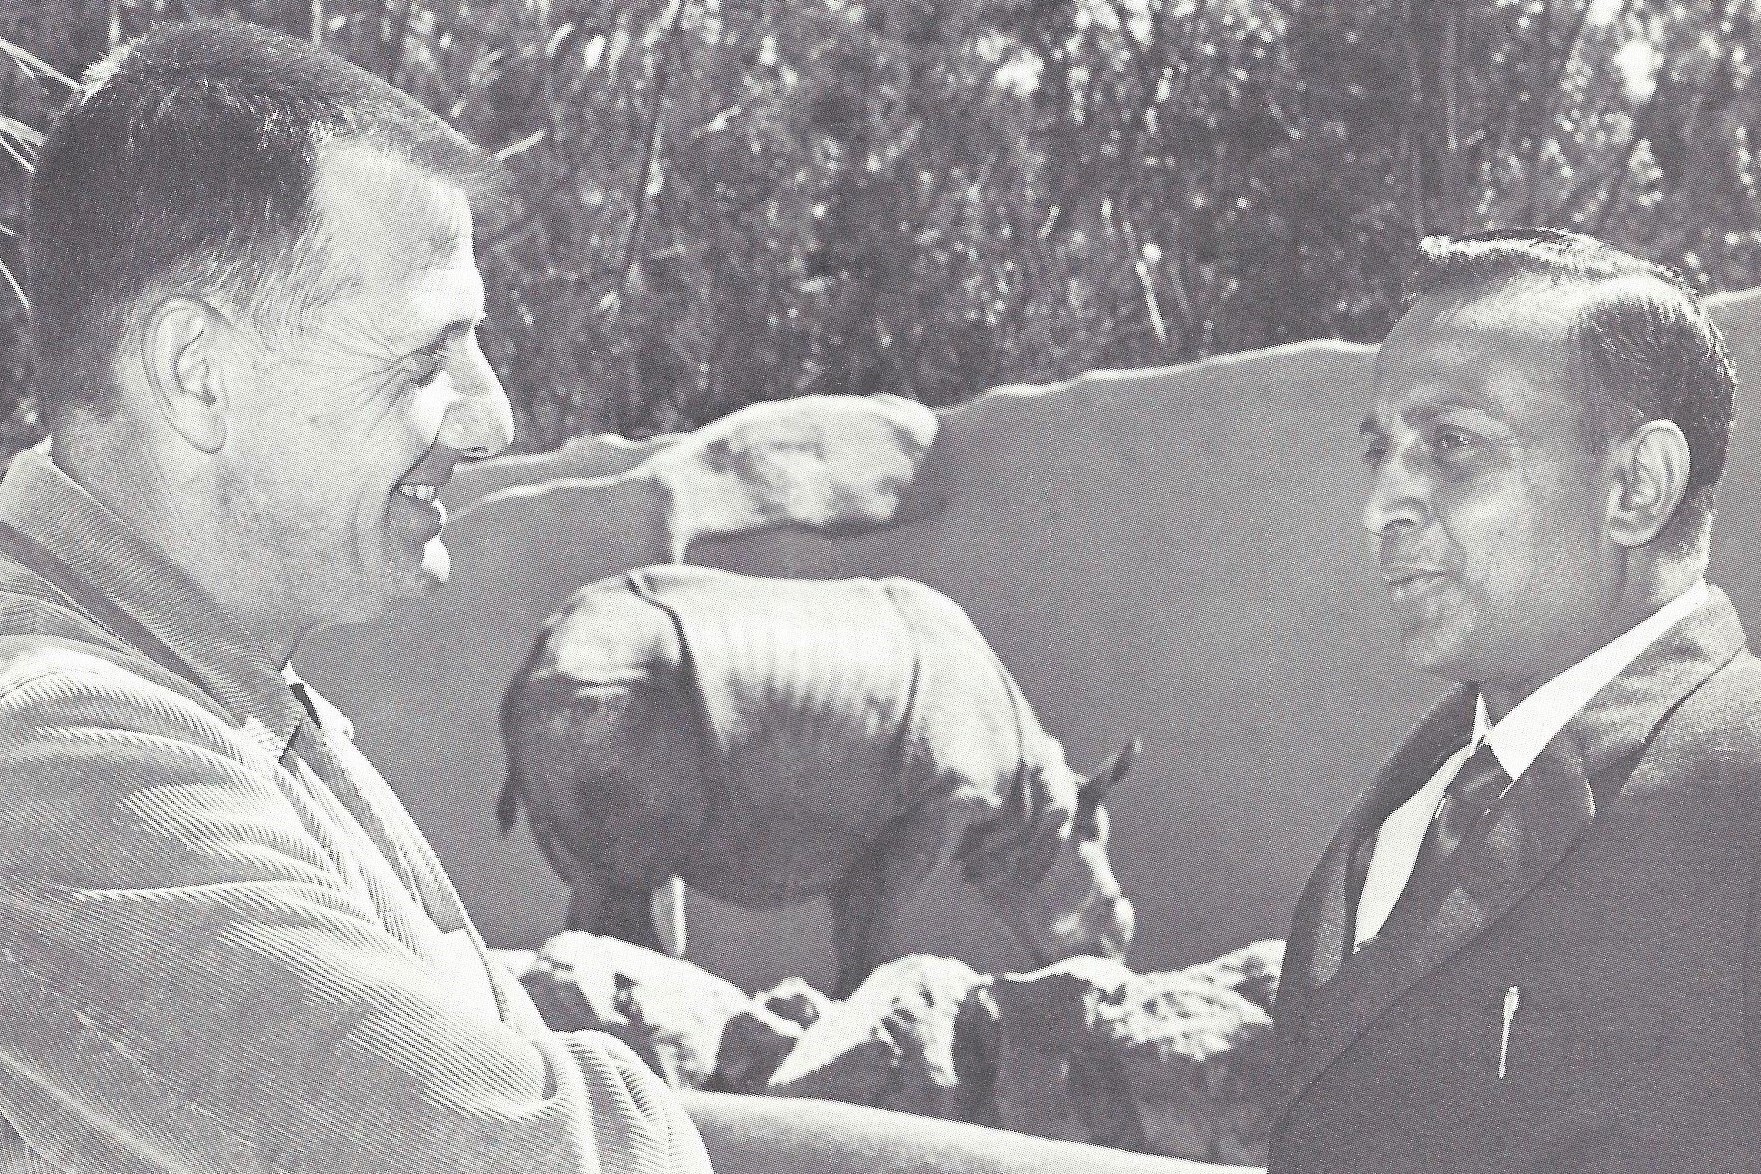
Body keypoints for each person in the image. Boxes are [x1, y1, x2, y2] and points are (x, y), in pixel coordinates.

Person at [0, 20, 716, 1172]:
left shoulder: (217, 695)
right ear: (197, 375)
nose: (493, 422)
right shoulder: (53, 755)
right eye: (429, 357)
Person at [1270, 229, 1761, 1171]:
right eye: (1379, 451)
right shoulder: (1404, 812)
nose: (1380, 506)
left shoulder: (1739, 790)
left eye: (1450, 445)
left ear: (1635, 486)